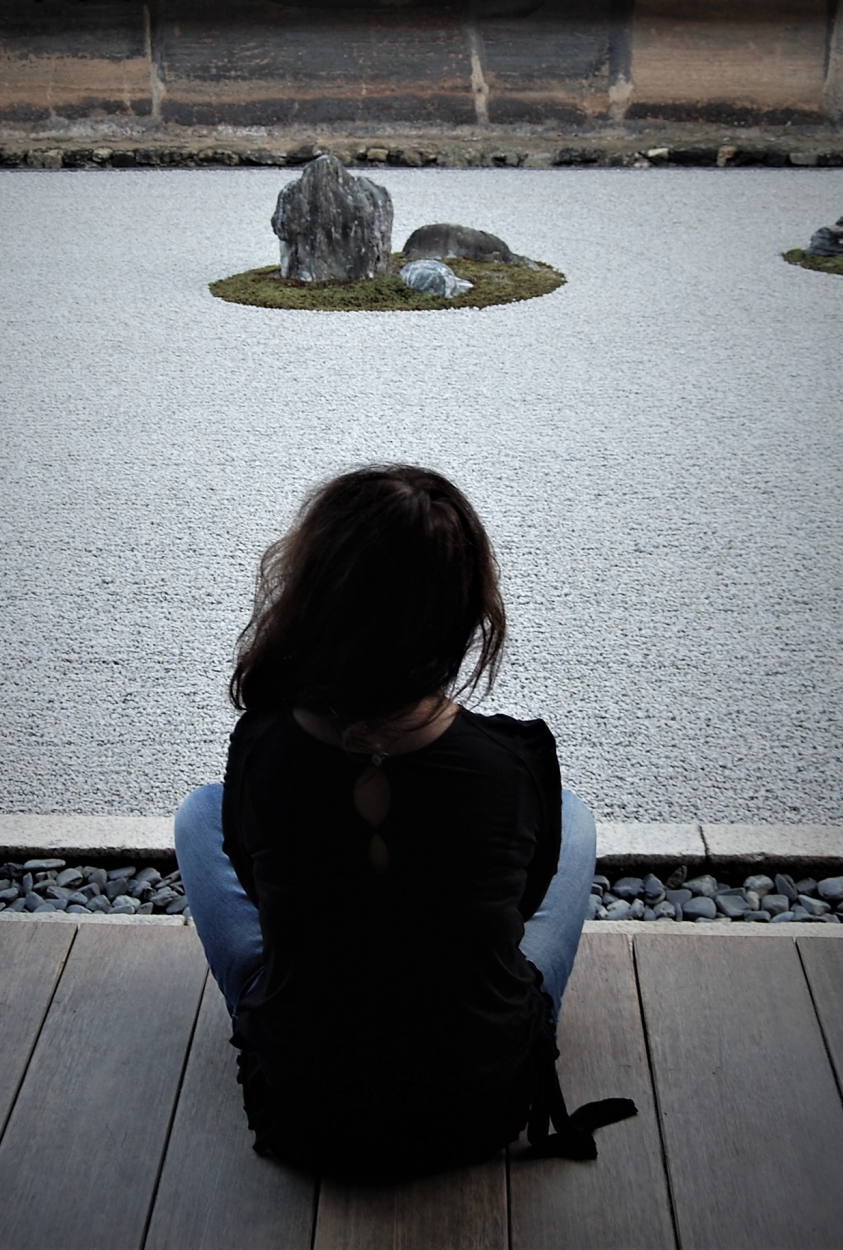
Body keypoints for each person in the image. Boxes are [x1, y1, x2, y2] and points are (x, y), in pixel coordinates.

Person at [175, 464, 634, 1180]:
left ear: (316, 598)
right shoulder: (511, 763)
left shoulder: (264, 747)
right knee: (568, 813)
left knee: (201, 811)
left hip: (306, 1113)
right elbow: (519, 904)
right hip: (482, 1108)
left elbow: (263, 894)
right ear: (461, 613)